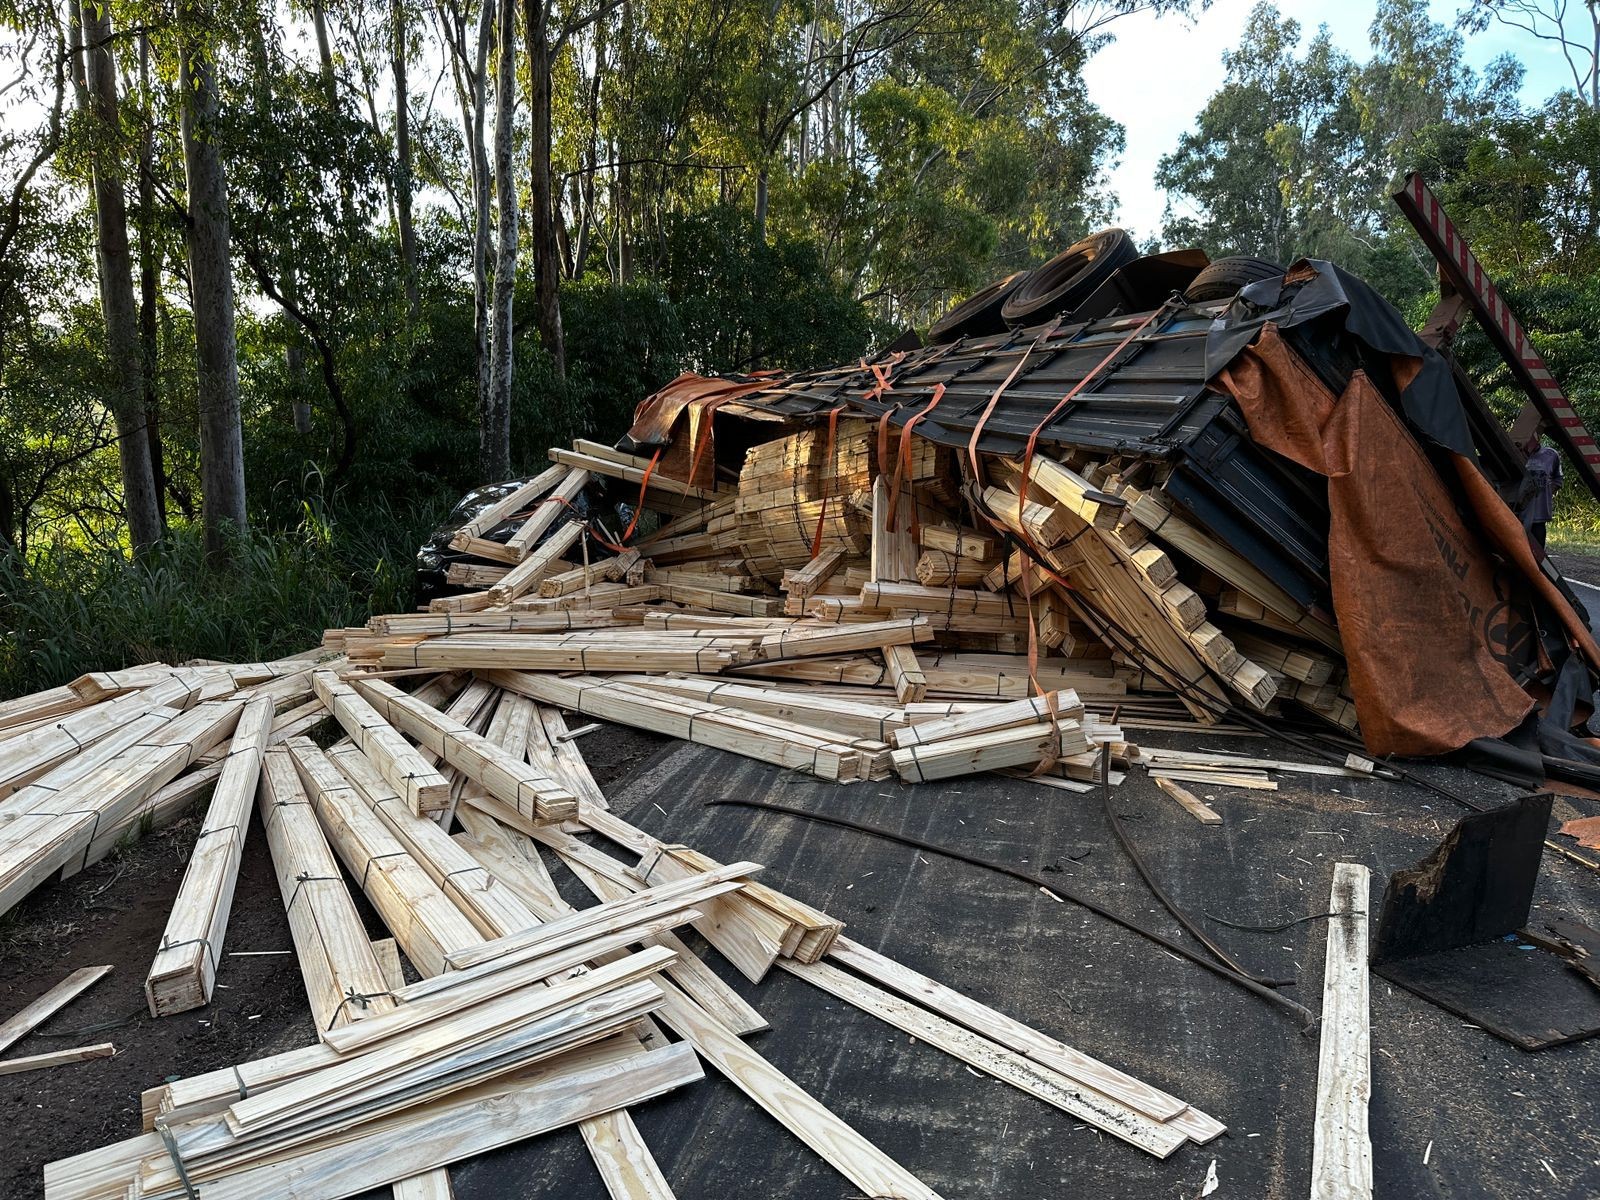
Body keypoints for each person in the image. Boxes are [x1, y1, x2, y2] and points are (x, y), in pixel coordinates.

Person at [1521, 436, 1562, 548]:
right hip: (1520, 513)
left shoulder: (1551, 455)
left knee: (1538, 547)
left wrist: (1545, 494)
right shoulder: (1516, 454)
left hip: (1540, 514)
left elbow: (1558, 479)